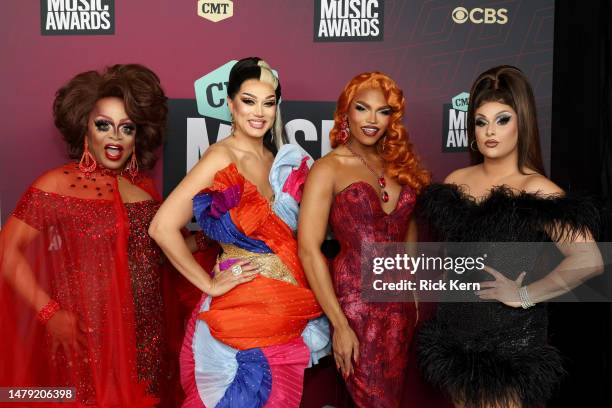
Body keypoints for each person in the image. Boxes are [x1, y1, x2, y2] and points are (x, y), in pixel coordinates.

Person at [415, 65, 603, 408]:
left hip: (509, 347)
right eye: (481, 121)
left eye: (502, 120)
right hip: (457, 342)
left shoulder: (536, 189)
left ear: (522, 123)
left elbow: (589, 259)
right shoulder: (457, 181)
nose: (490, 131)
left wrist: (526, 294)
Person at [0, 64, 187, 406]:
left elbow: (162, 256)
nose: (115, 136)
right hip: (87, 343)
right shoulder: (57, 183)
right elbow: (7, 252)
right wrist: (49, 312)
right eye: (104, 125)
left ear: (138, 135)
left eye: (126, 128)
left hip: (146, 344)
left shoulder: (143, 189)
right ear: (85, 126)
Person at [149, 57, 329, 408]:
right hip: (239, 314)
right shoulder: (220, 157)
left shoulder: (277, 160)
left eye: (268, 102)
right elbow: (162, 226)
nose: (259, 112)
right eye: (248, 101)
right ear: (230, 104)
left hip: (283, 313)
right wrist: (210, 285)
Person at [298, 72, 430, 408]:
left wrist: (412, 290)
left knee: (392, 399)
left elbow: (408, 226)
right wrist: (339, 325)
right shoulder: (328, 168)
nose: (372, 120)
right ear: (345, 113)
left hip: (399, 310)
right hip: (355, 307)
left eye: (383, 111)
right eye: (362, 108)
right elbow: (309, 249)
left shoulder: (399, 166)